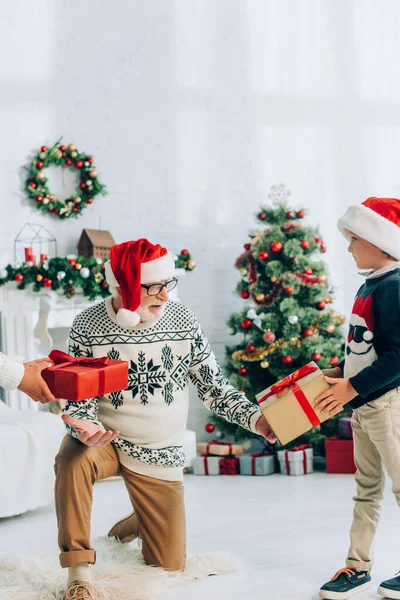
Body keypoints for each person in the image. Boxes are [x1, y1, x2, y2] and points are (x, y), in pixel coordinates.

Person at [55, 238, 276, 600]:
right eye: (152, 287)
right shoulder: (87, 325)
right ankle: (79, 572)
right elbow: (78, 396)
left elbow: (213, 388)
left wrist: (256, 419)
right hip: (105, 441)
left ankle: (139, 520)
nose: (163, 295)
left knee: (169, 565)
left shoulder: (183, 319)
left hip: (159, 451)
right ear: (124, 287)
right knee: (71, 458)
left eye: (166, 285)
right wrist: (84, 427)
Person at [315, 197, 400, 600]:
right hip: (365, 406)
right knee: (366, 487)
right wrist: (337, 372)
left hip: (387, 406)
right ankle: (357, 566)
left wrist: (352, 386)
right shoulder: (371, 283)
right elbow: (365, 347)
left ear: (379, 241)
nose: (348, 247)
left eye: (353, 239)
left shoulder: (395, 286)